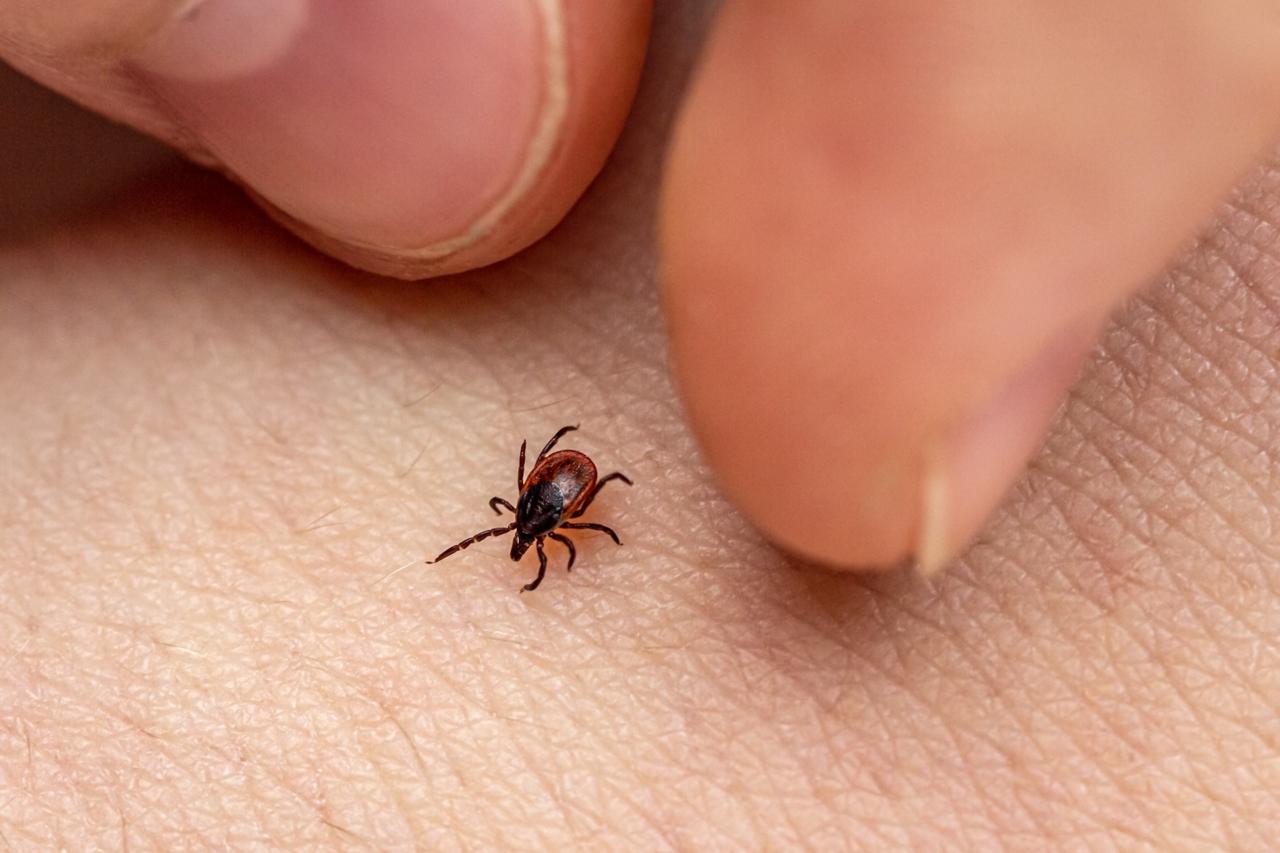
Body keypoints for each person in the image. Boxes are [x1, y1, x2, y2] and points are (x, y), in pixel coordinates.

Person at [1, 1, 1277, 846]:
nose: (532, 528)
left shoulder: (552, 502)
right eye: (531, 527)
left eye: (533, 527)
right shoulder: (559, 500)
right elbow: (570, 473)